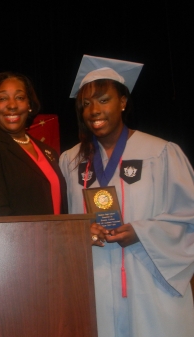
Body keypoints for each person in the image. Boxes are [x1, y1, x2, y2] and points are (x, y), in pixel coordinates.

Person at [59, 55, 194, 337]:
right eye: (85, 104)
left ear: (122, 102)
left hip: (148, 277)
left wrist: (142, 232)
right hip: (94, 276)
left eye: (104, 100)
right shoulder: (70, 160)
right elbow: (61, 219)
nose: (94, 110)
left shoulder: (160, 153)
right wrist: (81, 230)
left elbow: (189, 218)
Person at [0, 72, 67, 217]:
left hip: (57, 238)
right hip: (18, 239)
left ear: (29, 105)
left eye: (20, 98)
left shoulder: (48, 152)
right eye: (2, 98)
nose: (12, 105)